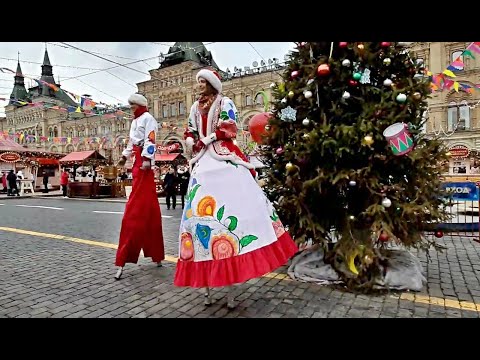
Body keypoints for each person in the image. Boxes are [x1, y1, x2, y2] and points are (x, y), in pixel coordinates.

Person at [173, 69, 298, 309]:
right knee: (198, 219)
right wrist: (190, 140)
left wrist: (209, 139)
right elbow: (189, 130)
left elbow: (230, 126)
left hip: (222, 158)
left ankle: (245, 239)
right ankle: (206, 274)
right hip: (202, 163)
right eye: (197, 82)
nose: (198, 86)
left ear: (211, 84)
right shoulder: (193, 108)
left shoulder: (225, 101)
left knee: (239, 205)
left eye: (202, 82)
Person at [114, 93, 165, 280]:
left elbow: (150, 140)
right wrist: (124, 156)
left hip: (144, 166)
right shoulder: (135, 121)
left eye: (132, 105)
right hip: (137, 163)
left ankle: (128, 257)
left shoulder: (148, 119)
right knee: (149, 211)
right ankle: (157, 254)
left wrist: (146, 159)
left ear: (139, 105)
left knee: (135, 210)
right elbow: (131, 142)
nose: (130, 108)